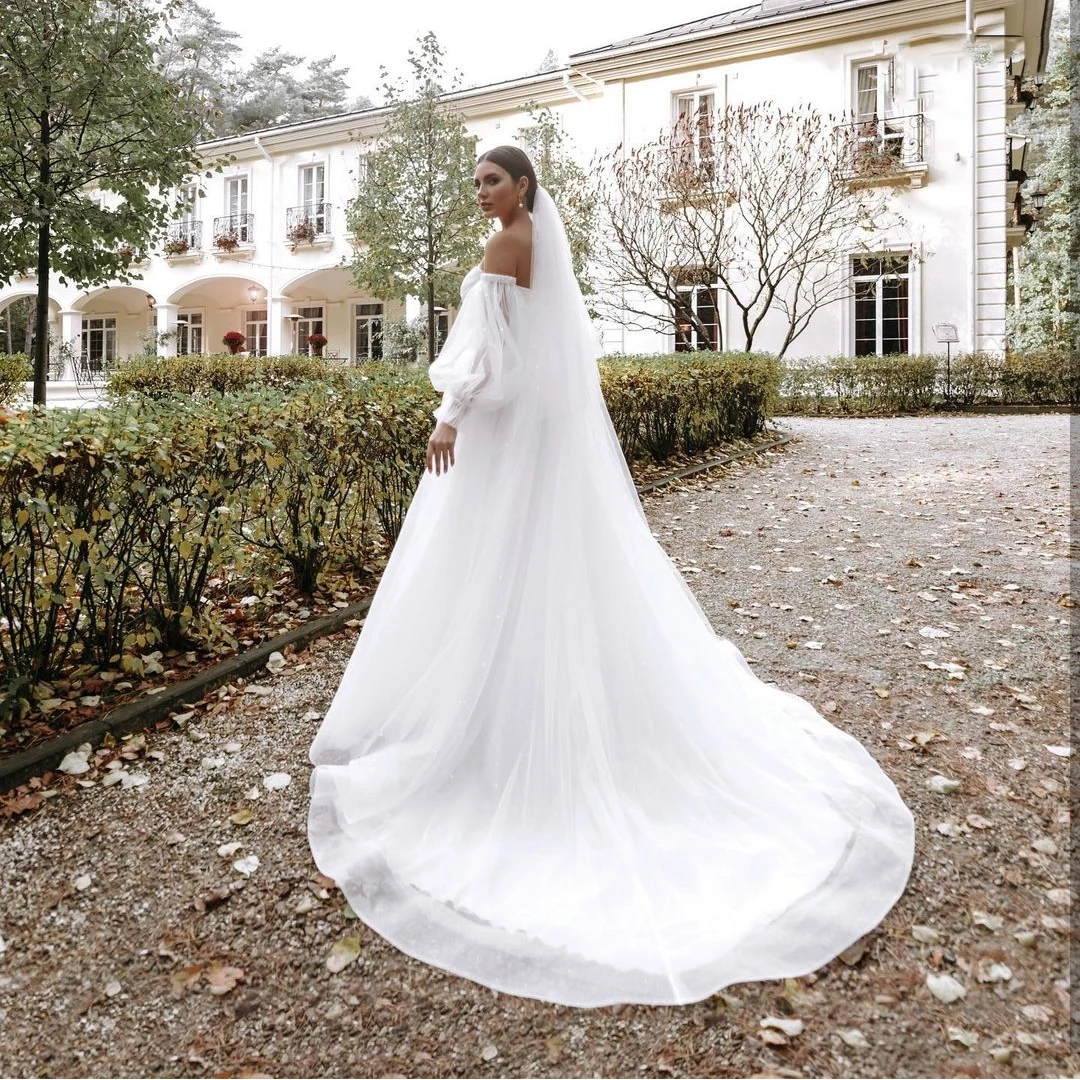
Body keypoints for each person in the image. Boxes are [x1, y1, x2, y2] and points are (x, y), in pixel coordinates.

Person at [308, 146, 915, 1008]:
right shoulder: (536, 245)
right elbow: (531, 351)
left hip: (503, 434)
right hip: (538, 435)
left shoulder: (504, 246)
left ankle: (489, 733)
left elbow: (488, 351)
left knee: (496, 567)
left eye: (493, 179)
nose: (482, 191)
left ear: (523, 187)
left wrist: (449, 418)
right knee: (539, 566)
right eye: (475, 179)